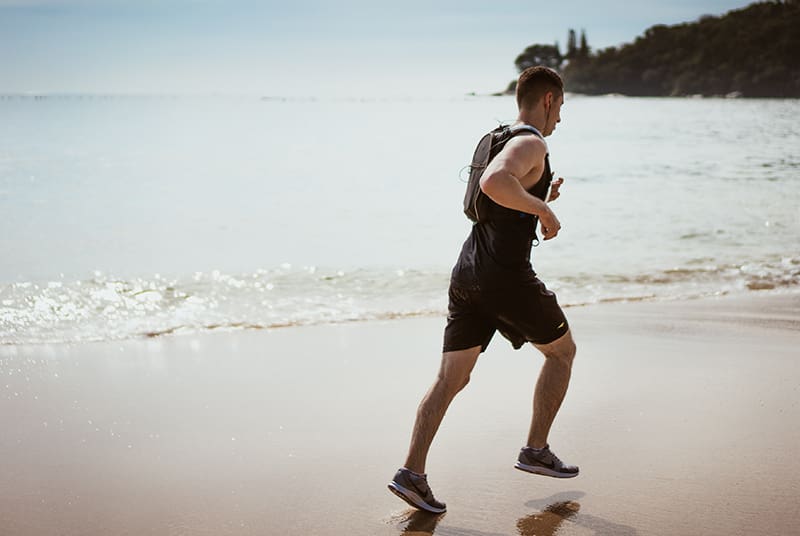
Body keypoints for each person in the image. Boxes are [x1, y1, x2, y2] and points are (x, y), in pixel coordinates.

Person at [388, 66, 578, 514]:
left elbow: (492, 200)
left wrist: (536, 198)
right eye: (561, 108)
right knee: (562, 352)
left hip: (467, 273)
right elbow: (495, 184)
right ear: (548, 100)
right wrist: (544, 213)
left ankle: (411, 473)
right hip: (505, 278)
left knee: (451, 379)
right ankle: (535, 449)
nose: (560, 120)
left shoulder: (496, 138)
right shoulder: (532, 142)